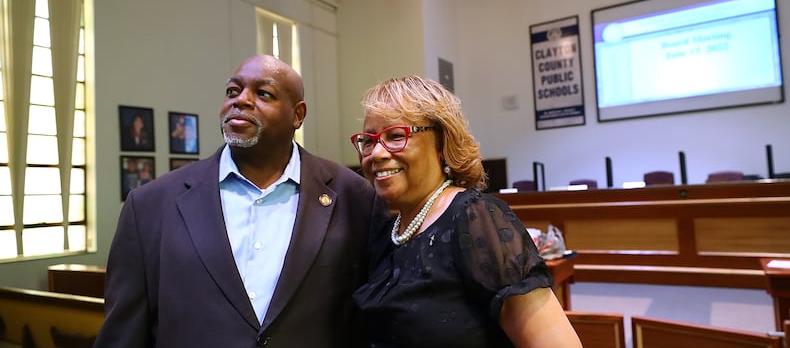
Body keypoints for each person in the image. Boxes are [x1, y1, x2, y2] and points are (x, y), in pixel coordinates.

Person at [96, 54, 386, 347]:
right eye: (233, 91)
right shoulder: (150, 206)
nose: (241, 100)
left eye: (263, 94)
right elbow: (123, 333)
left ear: (297, 115)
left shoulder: (355, 197)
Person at [349, 75, 582, 348]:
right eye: (368, 140)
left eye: (396, 136)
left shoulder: (475, 217)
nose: (376, 153)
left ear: (441, 144)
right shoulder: (387, 231)